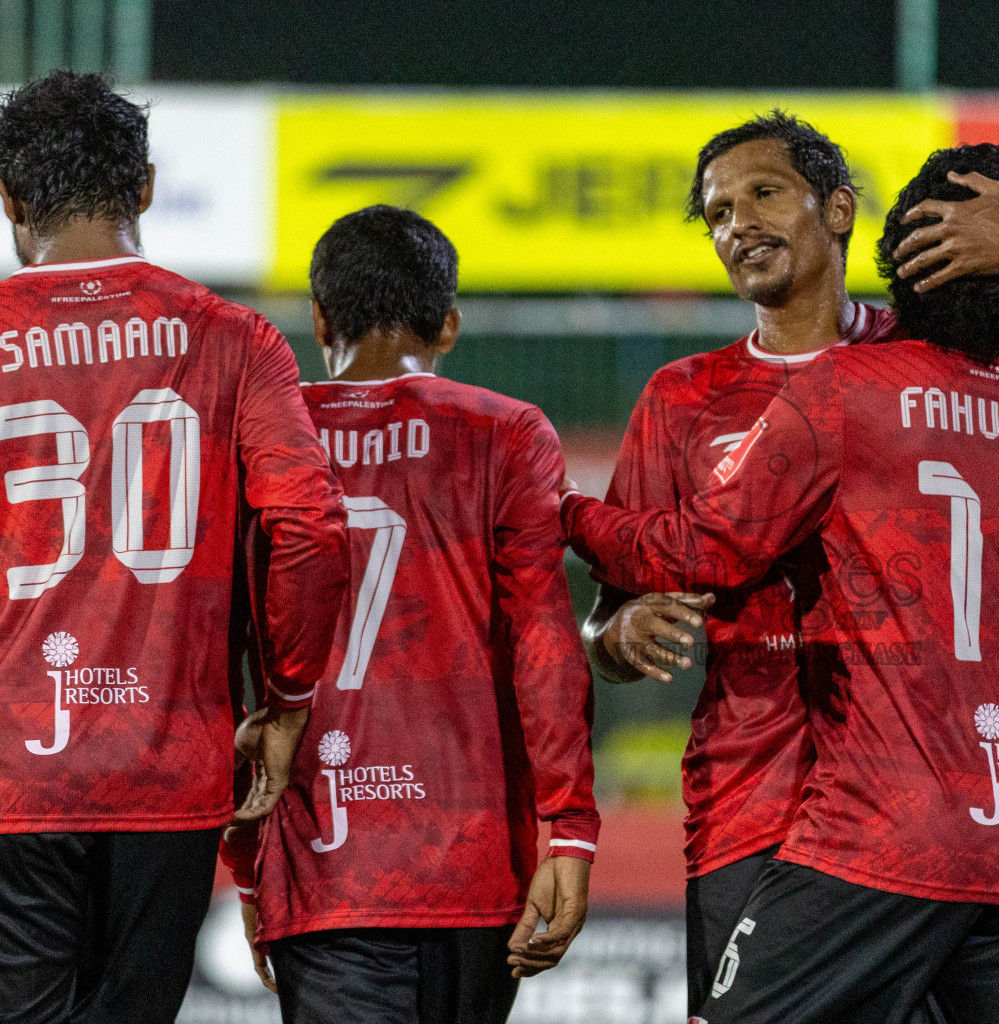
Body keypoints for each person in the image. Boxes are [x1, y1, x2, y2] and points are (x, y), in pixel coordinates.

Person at [583, 111, 999, 1015]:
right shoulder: (682, 398)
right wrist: (619, 630)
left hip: (896, 807)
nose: (738, 222)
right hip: (755, 800)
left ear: (837, 210)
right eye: (716, 212)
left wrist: (551, 507)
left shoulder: (934, 357)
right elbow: (609, 615)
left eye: (763, 193)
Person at [0, 72, 349, 1024]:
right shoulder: (235, 339)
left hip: (13, 771)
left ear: (11, 198)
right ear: (145, 187)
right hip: (167, 770)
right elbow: (312, 533)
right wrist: (287, 700)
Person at [221, 205, 600, 1024]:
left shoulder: (265, 437)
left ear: (319, 317)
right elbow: (544, 640)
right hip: (474, 861)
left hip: (326, 859)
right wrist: (568, 827)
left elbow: (223, 659)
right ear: (451, 325)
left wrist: (248, 863)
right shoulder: (507, 430)